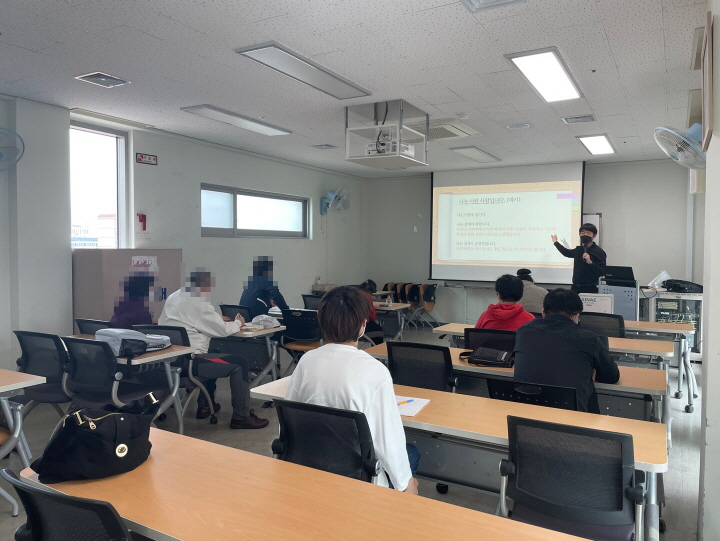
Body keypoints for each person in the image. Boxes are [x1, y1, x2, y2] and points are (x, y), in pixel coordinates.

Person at [285, 286, 420, 494]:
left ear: (322, 322)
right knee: (412, 454)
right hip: (359, 479)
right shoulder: (376, 370)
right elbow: (388, 441)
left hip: (310, 466)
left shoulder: (306, 361)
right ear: (363, 325)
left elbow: (288, 418)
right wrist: (406, 484)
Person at [159, 270, 269, 429]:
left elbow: (192, 320)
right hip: (190, 363)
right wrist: (238, 323)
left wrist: (217, 320)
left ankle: (205, 405)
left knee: (215, 354)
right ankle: (241, 416)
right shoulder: (198, 301)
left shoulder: (174, 297)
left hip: (170, 362)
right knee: (240, 362)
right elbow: (222, 330)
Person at [513, 288, 620, 413]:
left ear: (543, 313)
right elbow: (611, 376)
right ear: (576, 317)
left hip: (525, 413)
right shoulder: (588, 338)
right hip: (571, 418)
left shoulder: (523, 331)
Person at [551, 223, 606, 293]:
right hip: (575, 288)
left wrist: (590, 262)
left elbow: (602, 272)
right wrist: (556, 242)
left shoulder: (599, 252)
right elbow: (566, 253)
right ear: (579, 234)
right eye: (583, 233)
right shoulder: (579, 249)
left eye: (588, 233)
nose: (585, 235)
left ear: (594, 236)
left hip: (590, 288)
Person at [357, 279, 384, 344]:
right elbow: (372, 315)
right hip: (360, 327)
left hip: (347, 326)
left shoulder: (354, 293)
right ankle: (377, 348)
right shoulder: (367, 296)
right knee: (378, 329)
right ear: (370, 291)